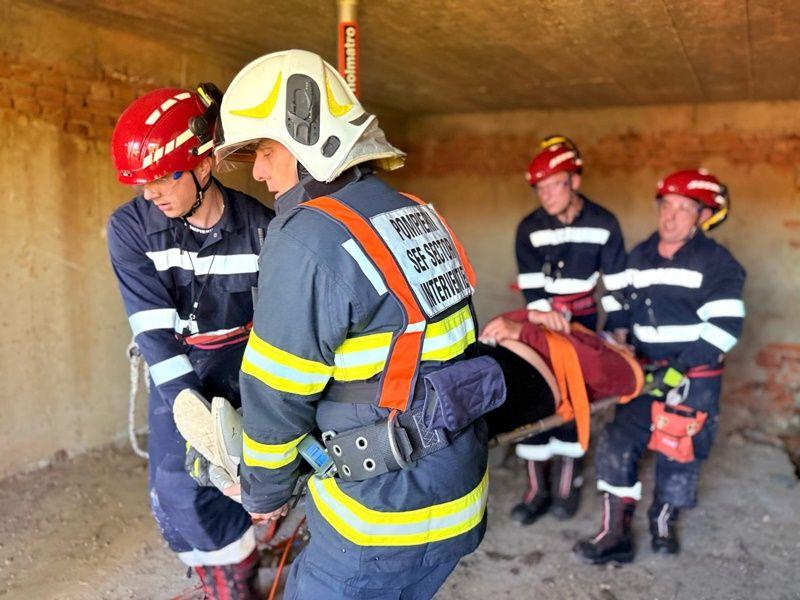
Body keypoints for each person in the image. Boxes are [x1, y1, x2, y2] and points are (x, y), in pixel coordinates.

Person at [214, 49, 491, 599]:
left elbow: (277, 392)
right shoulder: (416, 213)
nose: (259, 172)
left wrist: (263, 491)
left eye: (265, 151)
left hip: (378, 521)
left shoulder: (306, 237)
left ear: (310, 139)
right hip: (459, 496)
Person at [106, 86, 274, 598]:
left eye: (164, 177)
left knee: (253, 480)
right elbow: (155, 333)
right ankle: (227, 577)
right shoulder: (130, 229)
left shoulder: (263, 229)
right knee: (178, 492)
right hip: (177, 362)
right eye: (144, 182)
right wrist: (199, 423)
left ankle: (242, 569)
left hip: (248, 361)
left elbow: (281, 330)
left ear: (203, 166)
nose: (151, 193)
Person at [573, 168, 745, 564]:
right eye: (666, 205)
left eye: (683, 208)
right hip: (643, 371)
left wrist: (679, 368)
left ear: (703, 216)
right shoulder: (639, 256)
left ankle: (663, 522)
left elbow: (725, 328)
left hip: (693, 377)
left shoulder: (718, 264)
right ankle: (614, 534)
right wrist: (617, 334)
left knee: (678, 450)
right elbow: (618, 302)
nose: (670, 216)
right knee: (618, 442)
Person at [511, 135, 628, 525]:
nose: (546, 195)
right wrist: (545, 314)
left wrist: (617, 333)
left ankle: (567, 488)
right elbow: (532, 291)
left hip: (585, 326)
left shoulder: (604, 223)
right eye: (540, 188)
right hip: (541, 328)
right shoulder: (529, 228)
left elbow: (616, 289)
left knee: (577, 400)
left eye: (554, 185)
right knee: (536, 397)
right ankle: (535, 491)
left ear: (575, 181)